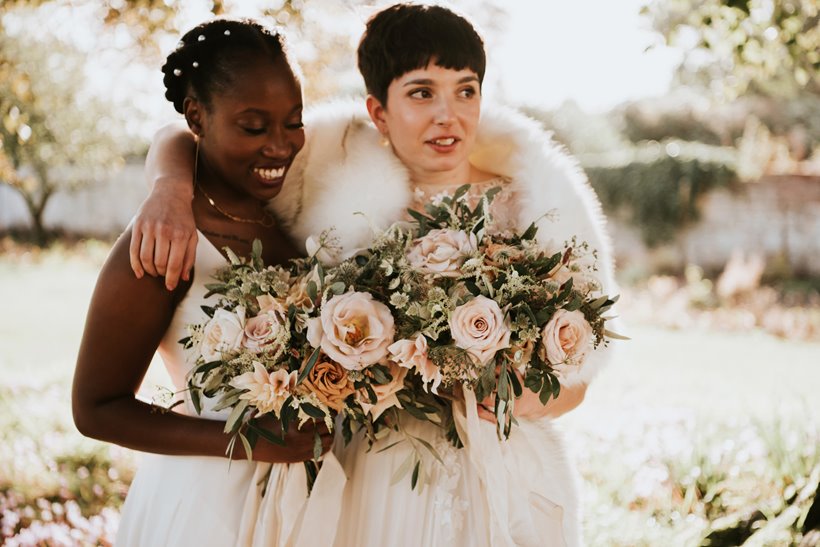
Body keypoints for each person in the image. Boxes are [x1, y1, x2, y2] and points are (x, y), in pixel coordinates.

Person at [130, 5, 618, 546]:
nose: (448, 116)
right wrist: (169, 187)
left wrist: (508, 395)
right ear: (377, 111)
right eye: (421, 92)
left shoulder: (539, 206)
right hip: (362, 468)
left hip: (498, 468)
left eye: (466, 90)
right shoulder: (322, 170)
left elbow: (580, 371)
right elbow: (192, 137)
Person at [71, 18, 337, 547]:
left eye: (294, 121)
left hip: (317, 506)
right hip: (212, 512)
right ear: (197, 115)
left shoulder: (287, 212)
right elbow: (95, 409)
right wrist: (248, 439)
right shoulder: (163, 239)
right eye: (254, 127)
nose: (281, 147)